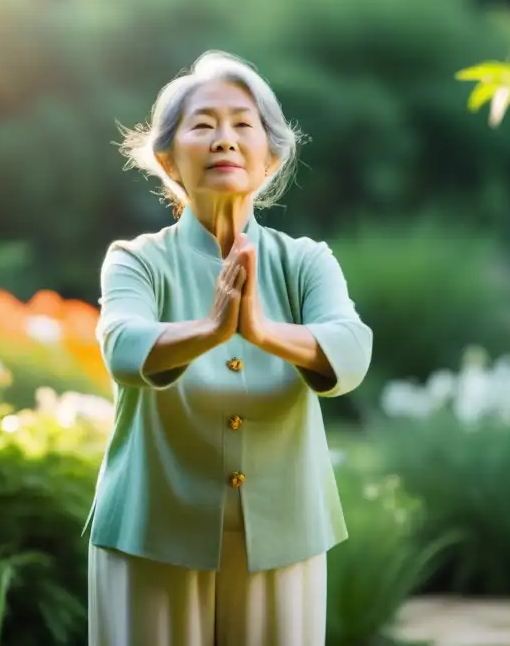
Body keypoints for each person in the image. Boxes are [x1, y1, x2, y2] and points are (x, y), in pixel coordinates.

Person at [84, 50, 373, 646]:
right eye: (203, 124)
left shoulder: (305, 261)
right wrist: (212, 330)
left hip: (285, 532)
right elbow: (121, 345)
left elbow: (350, 349)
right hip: (151, 529)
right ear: (167, 158)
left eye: (244, 125)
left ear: (269, 160)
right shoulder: (137, 259)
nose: (224, 139)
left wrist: (263, 331)